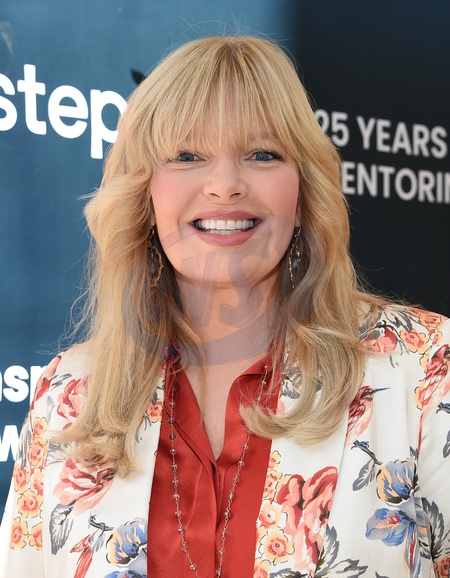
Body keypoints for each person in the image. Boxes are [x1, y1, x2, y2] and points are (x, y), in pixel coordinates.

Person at [1, 35, 449, 578]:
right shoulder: (67, 394)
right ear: (144, 193)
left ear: (303, 187)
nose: (225, 186)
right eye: (187, 155)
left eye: (262, 154)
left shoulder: (426, 370)